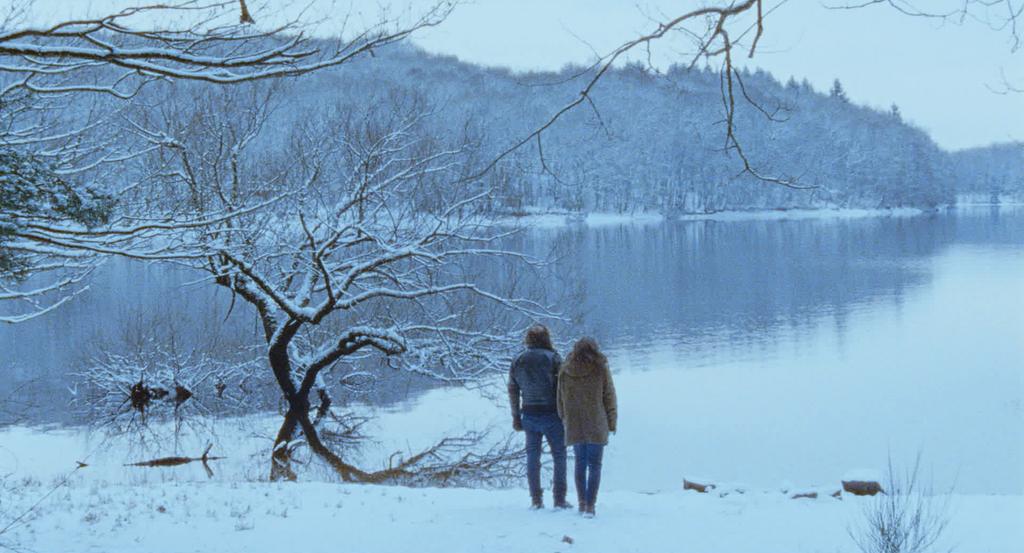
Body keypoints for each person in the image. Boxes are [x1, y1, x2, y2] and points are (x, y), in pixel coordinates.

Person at [508, 324, 571, 510]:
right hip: (552, 414)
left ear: (528, 339)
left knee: (532, 457)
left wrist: (515, 416)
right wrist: (566, 414)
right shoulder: (554, 358)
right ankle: (559, 499)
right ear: (547, 339)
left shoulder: (518, 360)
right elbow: (564, 389)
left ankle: (536, 499)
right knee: (559, 455)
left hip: (528, 413)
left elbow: (513, 389)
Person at [557, 337, 617, 518]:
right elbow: (609, 396)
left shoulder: (565, 370)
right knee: (595, 465)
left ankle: (582, 502)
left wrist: (564, 418)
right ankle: (591, 505)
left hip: (575, 423)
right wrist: (612, 422)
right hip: (596, 422)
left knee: (580, 464)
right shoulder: (600, 368)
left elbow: (559, 398)